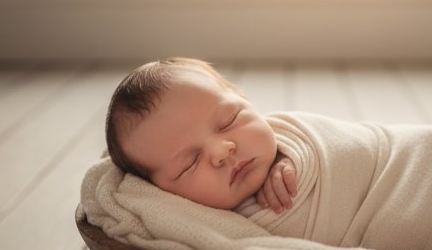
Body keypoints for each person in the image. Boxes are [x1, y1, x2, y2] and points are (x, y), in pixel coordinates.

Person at [105, 57, 298, 213]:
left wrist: (289, 156)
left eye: (228, 121)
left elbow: (320, 137)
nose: (222, 151)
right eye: (191, 163)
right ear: (159, 191)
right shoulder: (190, 225)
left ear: (242, 97)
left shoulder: (294, 136)